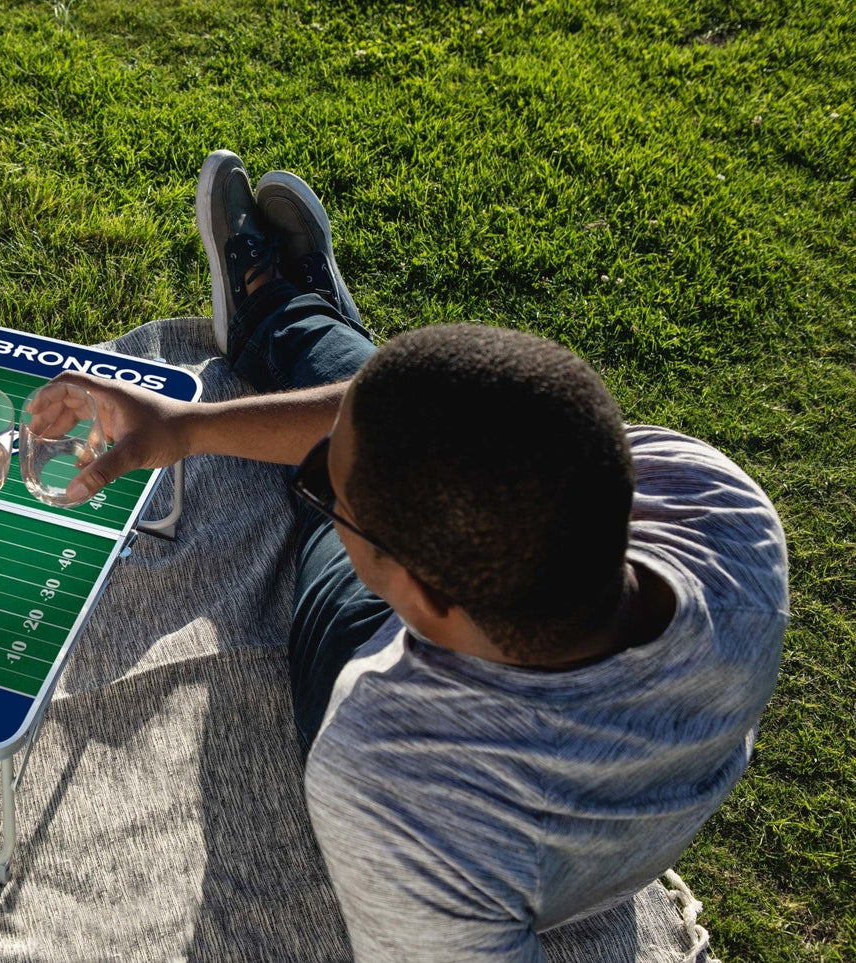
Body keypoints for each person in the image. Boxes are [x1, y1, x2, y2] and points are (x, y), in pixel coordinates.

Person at [57, 149, 788, 960]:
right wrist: (182, 428)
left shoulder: (394, 774)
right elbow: (461, 425)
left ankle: (288, 320)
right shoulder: (719, 505)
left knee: (357, 468)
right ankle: (300, 324)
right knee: (408, 412)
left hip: (393, 676)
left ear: (418, 595)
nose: (319, 496)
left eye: (328, 496)